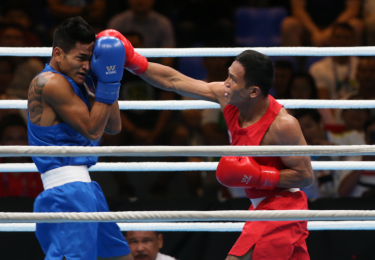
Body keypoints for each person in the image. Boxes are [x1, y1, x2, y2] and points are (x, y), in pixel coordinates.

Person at [96, 29, 314, 259]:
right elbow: (175, 80)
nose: (226, 83)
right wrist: (134, 62)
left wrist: (259, 175)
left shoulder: (283, 125)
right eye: (229, 75)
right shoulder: (228, 96)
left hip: (282, 207)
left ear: (253, 91)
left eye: (233, 80)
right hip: (261, 206)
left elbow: (305, 175)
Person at [27, 17, 132, 259]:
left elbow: (114, 127)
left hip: (86, 190)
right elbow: (94, 130)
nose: (86, 66)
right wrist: (106, 85)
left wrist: (107, 81)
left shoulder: (76, 83)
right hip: (65, 193)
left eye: (90, 58)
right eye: (81, 58)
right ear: (58, 53)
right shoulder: (50, 82)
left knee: (120, 257)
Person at [0, 114, 43, 198]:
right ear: (0, 143)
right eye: (10, 139)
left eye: (21, 139)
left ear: (29, 143)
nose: (16, 144)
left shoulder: (40, 173)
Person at [281, 0, 362, 46]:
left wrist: (331, 30)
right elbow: (298, 10)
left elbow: (352, 9)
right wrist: (315, 33)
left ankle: (355, 68)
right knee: (289, 24)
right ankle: (294, 68)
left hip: (338, 27)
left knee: (356, 25)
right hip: (308, 28)